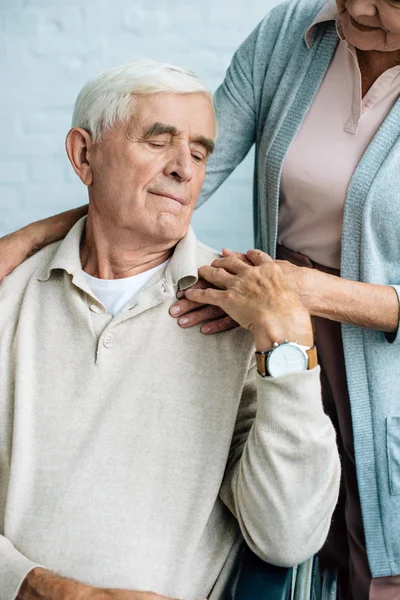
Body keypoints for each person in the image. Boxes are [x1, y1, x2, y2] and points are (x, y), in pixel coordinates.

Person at [2, 0, 399, 595]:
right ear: (82, 154)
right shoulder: (13, 300)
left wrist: (291, 328)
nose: (358, 6)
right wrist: (32, 239)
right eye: (158, 142)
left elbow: (285, 536)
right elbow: (171, 181)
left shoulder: (238, 335)